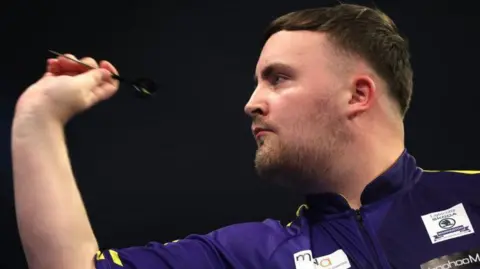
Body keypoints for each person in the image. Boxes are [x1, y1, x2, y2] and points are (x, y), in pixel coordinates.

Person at [10, 3, 480, 269]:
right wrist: (37, 118)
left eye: (278, 78)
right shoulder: (248, 255)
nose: (251, 103)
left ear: (357, 94)